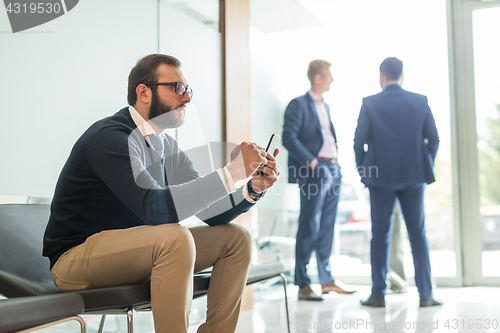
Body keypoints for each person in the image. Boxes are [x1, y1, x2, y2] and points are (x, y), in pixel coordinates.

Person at [42, 54, 280, 333]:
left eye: (188, 90)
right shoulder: (110, 138)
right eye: (177, 88)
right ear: (143, 92)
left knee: (236, 238)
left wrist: (251, 189)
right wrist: (233, 172)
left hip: (139, 251)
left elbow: (211, 213)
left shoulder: (165, 146)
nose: (187, 99)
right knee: (174, 237)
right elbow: (154, 209)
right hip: (75, 260)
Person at [353, 57, 441, 307]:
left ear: (381, 75)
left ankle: (378, 295)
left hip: (379, 179)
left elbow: (359, 142)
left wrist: (364, 172)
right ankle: (426, 294)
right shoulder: (419, 101)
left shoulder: (370, 103)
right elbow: (433, 139)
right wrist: (424, 165)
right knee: (418, 234)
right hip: (414, 178)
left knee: (379, 235)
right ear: (402, 75)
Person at [282, 59, 355, 301]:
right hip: (314, 169)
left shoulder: (326, 106)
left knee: (326, 226)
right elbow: (289, 138)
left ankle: (326, 281)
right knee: (309, 225)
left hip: (333, 169)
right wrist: (312, 162)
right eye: (329, 75)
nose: (332, 79)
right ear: (318, 78)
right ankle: (303, 284)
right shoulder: (298, 104)